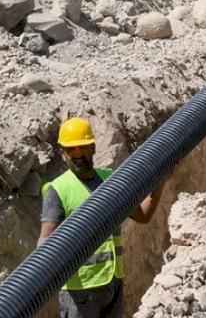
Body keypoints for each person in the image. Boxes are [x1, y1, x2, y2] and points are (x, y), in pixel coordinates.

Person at [39, 117, 166, 318]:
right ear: (63, 153)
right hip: (80, 291)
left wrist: (159, 185)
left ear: (93, 147)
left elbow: (143, 216)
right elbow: (45, 244)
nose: (77, 154)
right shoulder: (59, 189)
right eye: (71, 150)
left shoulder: (110, 179)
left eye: (82, 147)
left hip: (113, 283)